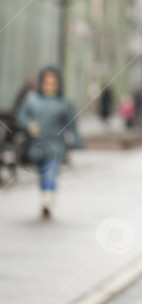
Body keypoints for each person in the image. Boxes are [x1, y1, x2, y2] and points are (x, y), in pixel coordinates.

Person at [15, 66, 83, 219]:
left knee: (50, 169)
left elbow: (71, 123)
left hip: (55, 144)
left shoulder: (63, 103)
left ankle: (48, 194)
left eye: (53, 82)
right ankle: (46, 193)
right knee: (42, 170)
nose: (50, 85)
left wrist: (77, 139)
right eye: (47, 82)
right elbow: (22, 115)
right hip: (37, 144)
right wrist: (28, 125)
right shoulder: (33, 100)